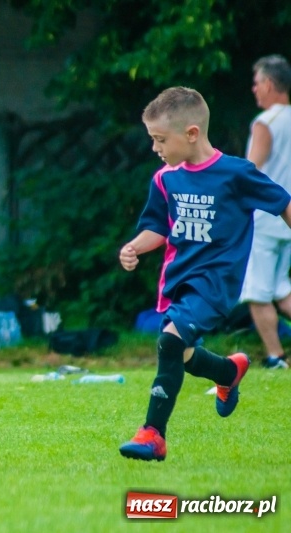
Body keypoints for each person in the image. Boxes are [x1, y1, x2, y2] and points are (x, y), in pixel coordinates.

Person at [118, 87, 291, 462]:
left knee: (168, 342)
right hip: (177, 279)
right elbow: (158, 228)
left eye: (161, 140)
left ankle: (153, 434)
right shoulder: (166, 179)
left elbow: (283, 203)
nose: (155, 148)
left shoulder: (235, 173)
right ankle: (229, 371)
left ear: (191, 133)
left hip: (216, 283)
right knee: (181, 353)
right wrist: (134, 247)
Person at [240, 54, 291, 370]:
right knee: (281, 290)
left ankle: (276, 358)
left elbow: (250, 171)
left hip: (265, 217)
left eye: (257, 83)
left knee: (257, 292)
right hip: (289, 218)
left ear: (270, 84)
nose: (254, 89)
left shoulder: (265, 122)